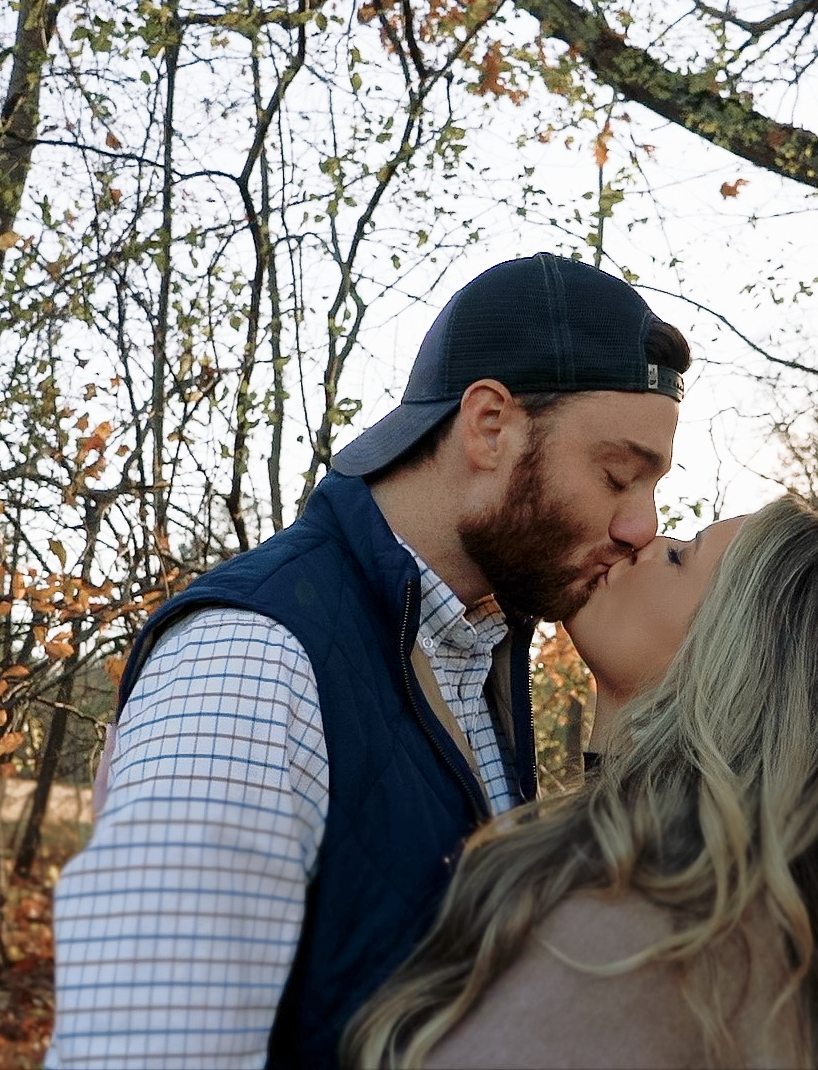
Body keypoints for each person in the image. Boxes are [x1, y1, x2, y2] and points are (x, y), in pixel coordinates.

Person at [48, 254, 693, 1070]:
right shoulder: (249, 665)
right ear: (490, 426)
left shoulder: (476, 651)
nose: (644, 524)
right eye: (617, 475)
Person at [346, 497, 818, 1069]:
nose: (644, 541)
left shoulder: (645, 944)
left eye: (678, 557)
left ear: (730, 666)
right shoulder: (740, 935)